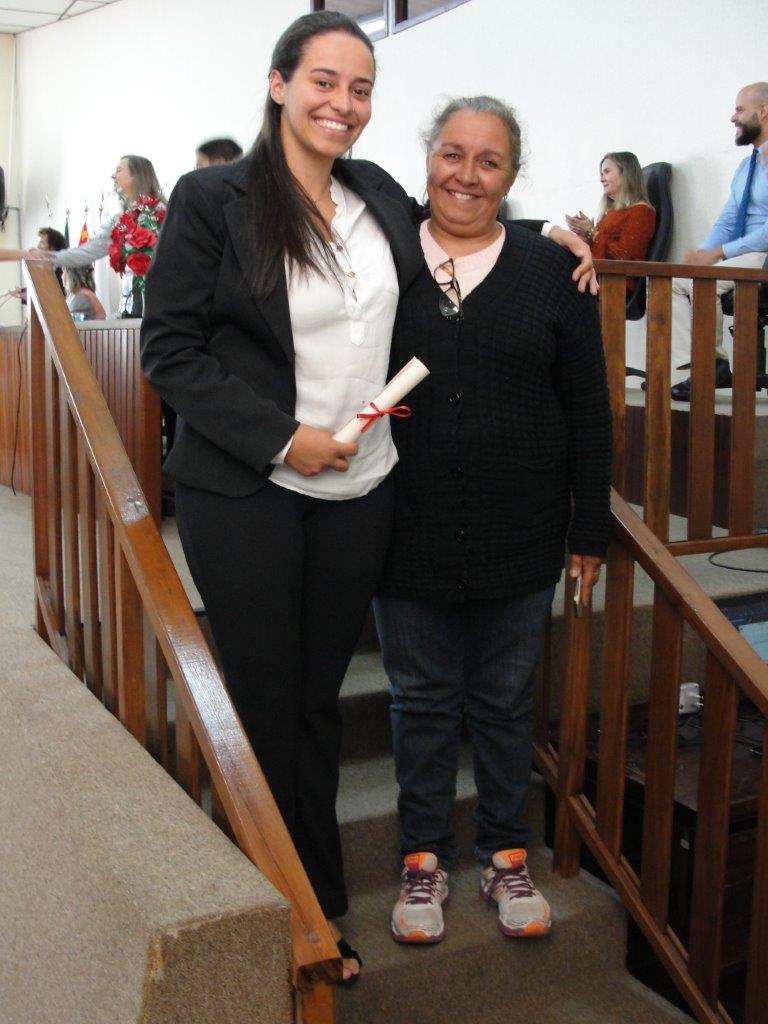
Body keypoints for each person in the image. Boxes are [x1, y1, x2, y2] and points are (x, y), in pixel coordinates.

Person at [141, 12, 595, 983]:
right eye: (324, 81)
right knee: (268, 705)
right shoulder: (212, 198)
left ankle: (319, 904)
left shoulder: (375, 192)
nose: (342, 103)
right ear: (278, 83)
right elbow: (169, 351)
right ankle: (288, 918)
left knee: (315, 702)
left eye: (360, 88)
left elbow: (463, 228)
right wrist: (281, 436)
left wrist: (557, 236)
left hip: (359, 491)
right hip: (250, 486)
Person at [374, 97, 612, 947]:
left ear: (512, 176)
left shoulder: (552, 271)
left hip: (522, 531)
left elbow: (588, 408)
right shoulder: (384, 256)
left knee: (508, 701)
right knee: (421, 701)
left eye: (489, 161)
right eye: (452, 153)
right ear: (427, 158)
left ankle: (507, 854)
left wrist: (590, 530)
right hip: (404, 530)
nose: (466, 176)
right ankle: (423, 859)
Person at [668, 82, 768, 400]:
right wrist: (703, 253)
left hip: (764, 252)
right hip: (747, 252)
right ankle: (705, 365)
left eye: (739, 109)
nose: (733, 117)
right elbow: (729, 218)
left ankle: (709, 366)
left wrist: (720, 253)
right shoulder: (747, 166)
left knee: (704, 280)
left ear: (763, 111)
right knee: (677, 280)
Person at [31, 155, 166, 317]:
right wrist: (49, 257)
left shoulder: (163, 213)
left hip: (161, 305)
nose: (113, 176)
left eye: (119, 170)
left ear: (136, 175)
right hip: (130, 306)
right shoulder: (119, 220)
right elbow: (88, 250)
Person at [566, 151, 655, 273]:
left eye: (607, 172)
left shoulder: (641, 212)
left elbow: (625, 258)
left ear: (626, 174)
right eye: (601, 174)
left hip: (612, 281)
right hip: (595, 274)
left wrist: (592, 232)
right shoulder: (611, 213)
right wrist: (585, 238)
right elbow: (599, 249)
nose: (601, 179)